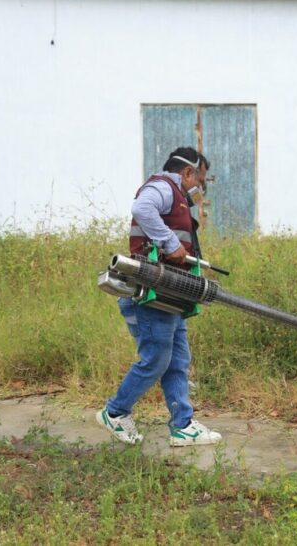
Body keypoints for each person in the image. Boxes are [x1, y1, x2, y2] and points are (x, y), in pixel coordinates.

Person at [97, 147, 222, 447]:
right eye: (200, 181)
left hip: (170, 295)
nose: (200, 189)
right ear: (187, 173)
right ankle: (115, 412)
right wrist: (167, 242)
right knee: (156, 359)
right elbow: (142, 208)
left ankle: (183, 425)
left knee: (177, 361)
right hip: (151, 293)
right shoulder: (163, 187)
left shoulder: (177, 198)